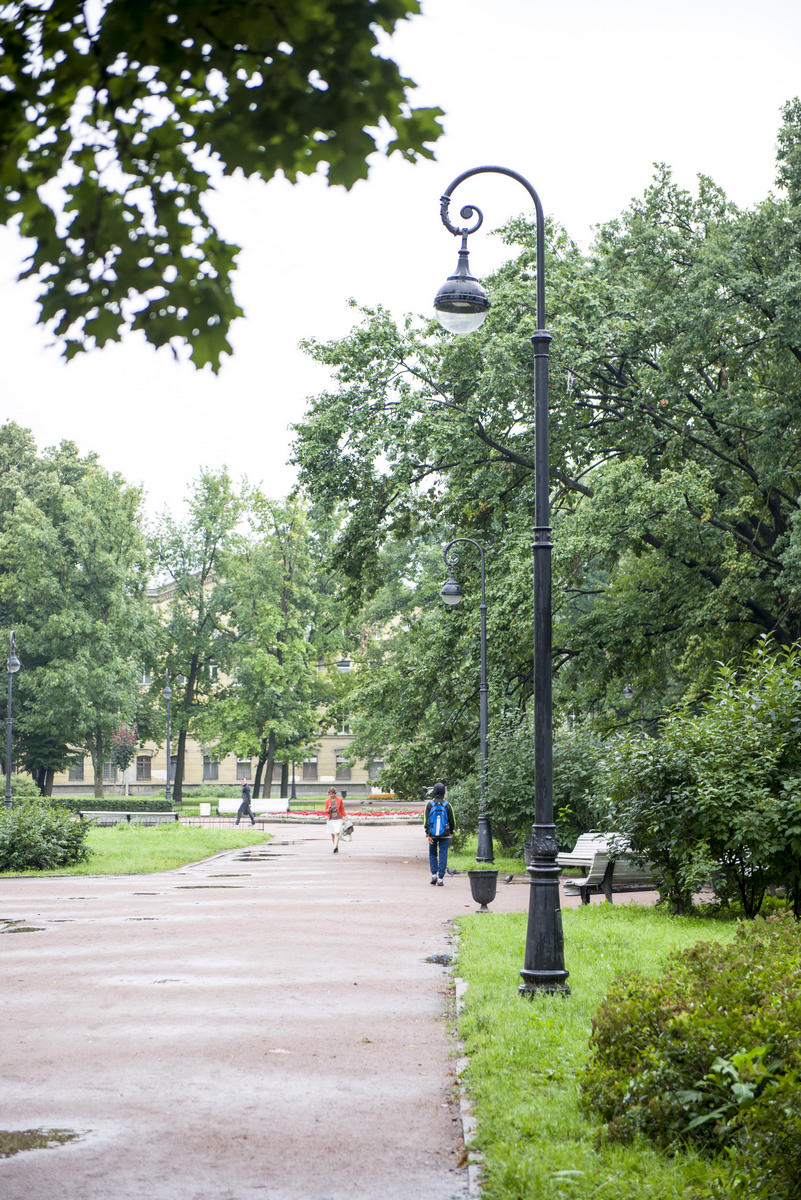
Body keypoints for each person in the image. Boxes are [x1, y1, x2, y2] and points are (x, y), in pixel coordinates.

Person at [424, 782, 455, 886]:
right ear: (443, 792)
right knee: (443, 854)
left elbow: (426, 820)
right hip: (445, 834)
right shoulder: (447, 805)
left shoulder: (429, 804)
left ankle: (433, 874)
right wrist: (451, 832)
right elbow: (452, 820)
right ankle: (441, 878)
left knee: (432, 854)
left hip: (432, 834)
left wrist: (428, 834)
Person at [325, 786, 346, 853]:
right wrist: (328, 809)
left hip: (338, 819)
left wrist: (345, 816)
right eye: (330, 794)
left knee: (337, 833)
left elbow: (342, 809)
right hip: (330, 819)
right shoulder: (327, 801)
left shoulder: (339, 800)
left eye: (333, 794)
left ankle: (334, 847)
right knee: (332, 834)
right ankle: (336, 847)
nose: (332, 795)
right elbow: (326, 811)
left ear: (335, 793)